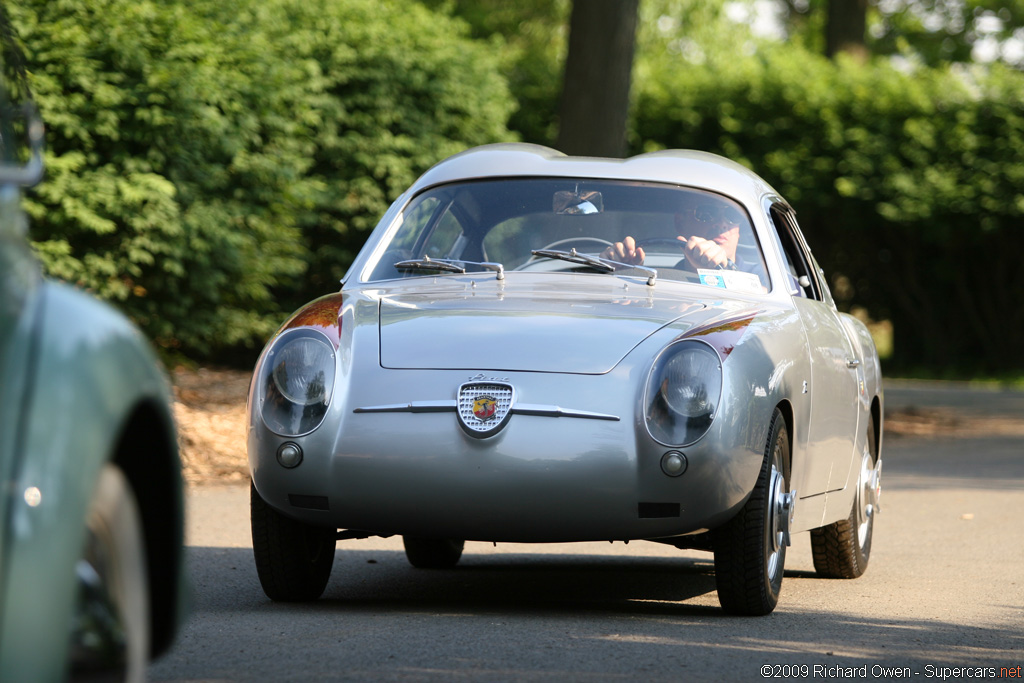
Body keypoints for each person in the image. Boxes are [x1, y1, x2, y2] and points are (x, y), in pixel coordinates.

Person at [601, 201, 747, 272]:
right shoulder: (668, 278)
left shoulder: (764, 276)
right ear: (680, 222)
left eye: (733, 216)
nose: (721, 224)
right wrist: (620, 270)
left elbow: (764, 297)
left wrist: (724, 272)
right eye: (706, 213)